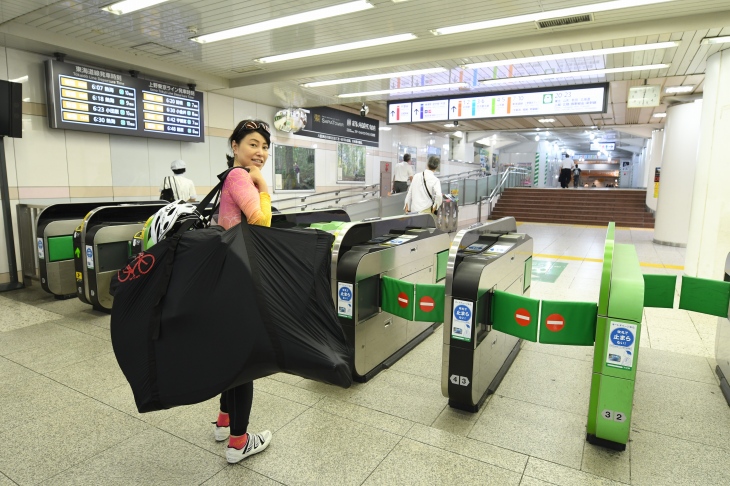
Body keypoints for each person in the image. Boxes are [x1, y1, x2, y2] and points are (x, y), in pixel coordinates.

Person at [213, 119, 273, 464]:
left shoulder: (228, 178)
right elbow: (259, 220)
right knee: (243, 361)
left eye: (264, 146)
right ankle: (239, 442)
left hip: (227, 276)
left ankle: (224, 422)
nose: (260, 152)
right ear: (234, 146)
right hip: (240, 279)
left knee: (228, 353)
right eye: (253, 144)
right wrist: (263, 185)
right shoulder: (239, 177)